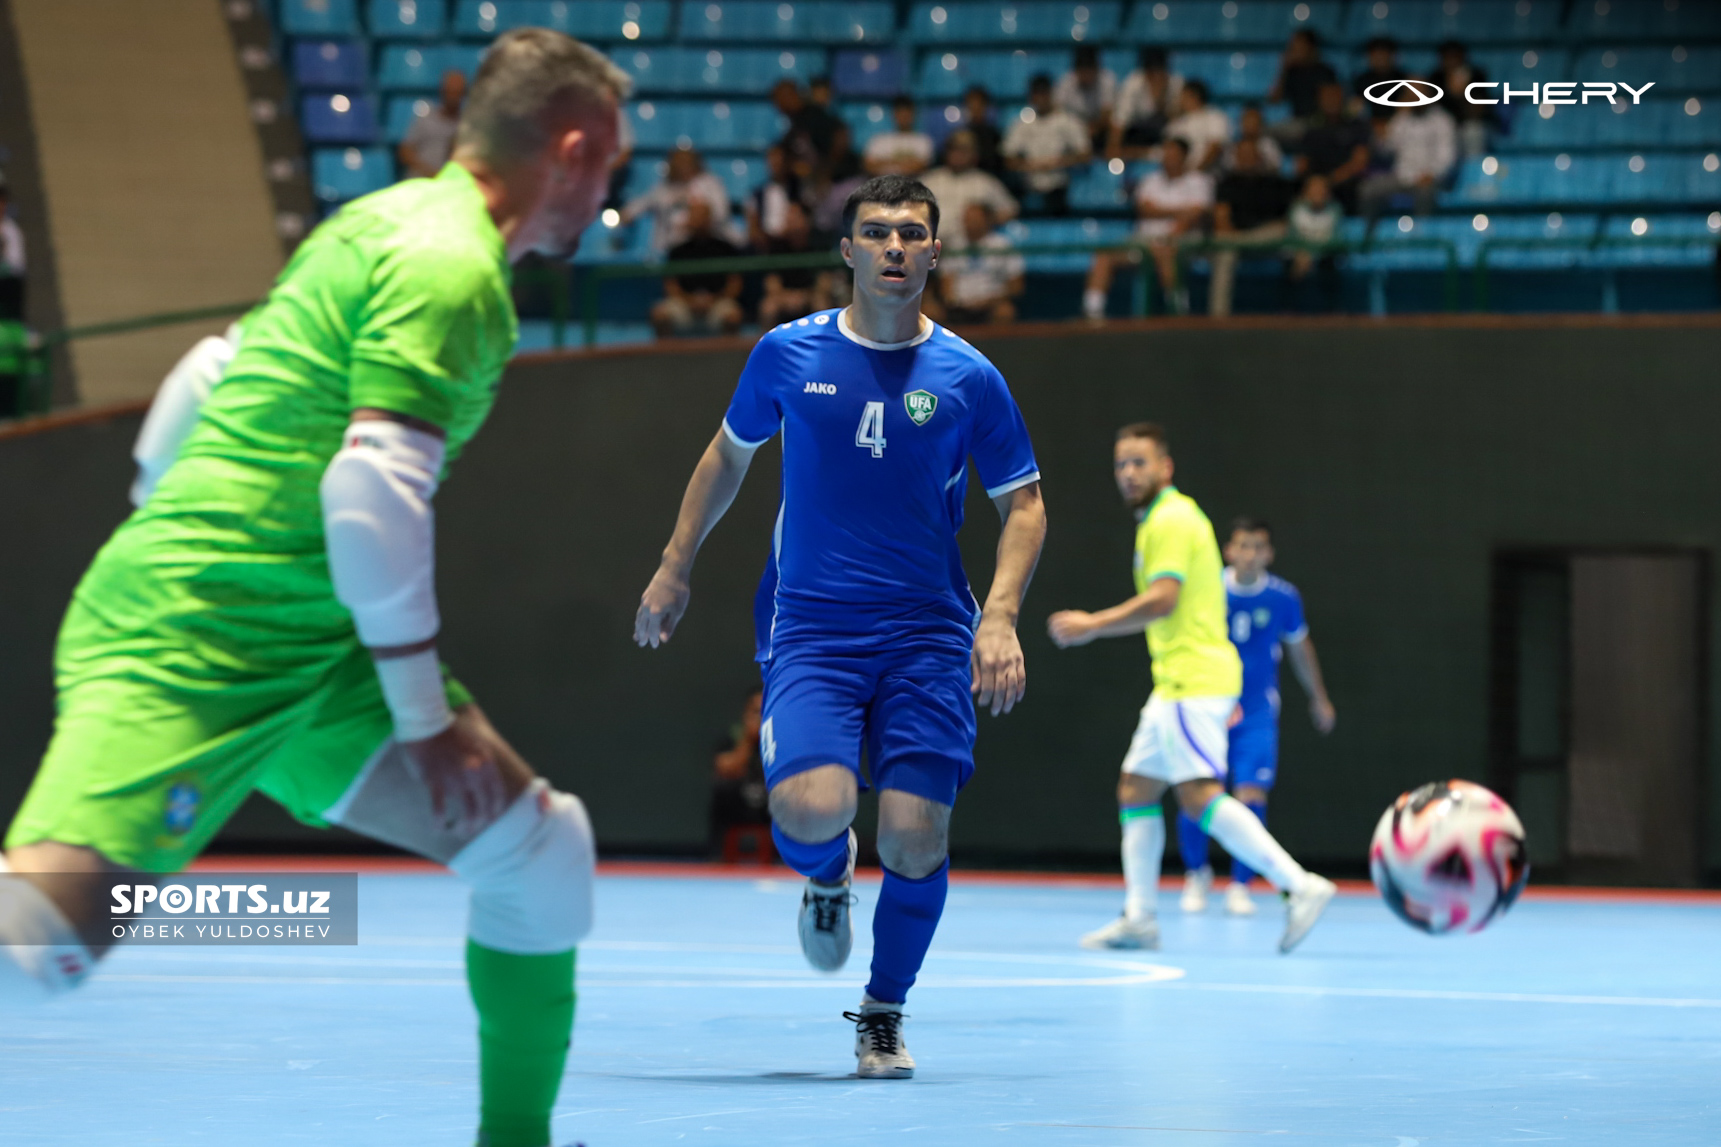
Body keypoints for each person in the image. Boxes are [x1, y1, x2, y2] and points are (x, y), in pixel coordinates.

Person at [0, 28, 624, 1147]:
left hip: (304, 645)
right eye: (612, 167)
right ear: (573, 150)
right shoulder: (453, 272)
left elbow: (209, 372)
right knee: (35, 944)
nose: (606, 193)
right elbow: (370, 496)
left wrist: (161, 514)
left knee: (536, 853)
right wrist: (423, 720)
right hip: (208, 633)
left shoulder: (375, 220)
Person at [634, 174, 1047, 1078]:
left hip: (929, 635)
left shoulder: (969, 376)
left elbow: (1023, 503)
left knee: (914, 836)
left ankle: (882, 1011)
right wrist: (675, 565)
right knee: (809, 810)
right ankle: (827, 877)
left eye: (911, 232)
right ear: (847, 250)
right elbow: (726, 456)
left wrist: (1003, 616)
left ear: (936, 252)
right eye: (876, 231)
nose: (894, 246)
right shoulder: (786, 354)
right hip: (812, 626)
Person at [1046, 423, 1335, 954]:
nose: (1129, 474)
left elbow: (1163, 599)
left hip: (1193, 681)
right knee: (1136, 788)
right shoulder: (1157, 520)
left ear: (1165, 468)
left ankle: (1299, 884)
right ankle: (1140, 918)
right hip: (1176, 684)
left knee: (1199, 796)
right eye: (1121, 465)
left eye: (1140, 463)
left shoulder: (1173, 519)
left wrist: (1091, 625)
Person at [1176, 518, 1336, 916]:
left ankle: (1240, 886)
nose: (1250, 555)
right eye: (1242, 546)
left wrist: (1319, 697)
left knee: (1251, 794)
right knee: (1197, 793)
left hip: (1257, 713)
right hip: (1209, 705)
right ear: (1229, 551)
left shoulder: (1284, 598)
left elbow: (1300, 650)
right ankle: (1197, 874)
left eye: (1258, 547)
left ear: (1269, 554)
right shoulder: (1207, 588)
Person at [1083, 137, 1211, 320]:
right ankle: (1093, 313)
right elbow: (1144, 210)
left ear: (1184, 156)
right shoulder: (1150, 180)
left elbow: (1195, 215)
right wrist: (1182, 211)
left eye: (1173, 154)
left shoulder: (1198, 181)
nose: (1168, 158)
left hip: (1181, 243)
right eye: (1166, 153)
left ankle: (1178, 311)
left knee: (1166, 253)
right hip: (1143, 242)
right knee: (1105, 254)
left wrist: (1163, 213)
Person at [1208, 137, 1293, 318]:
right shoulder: (1226, 183)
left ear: (1259, 157)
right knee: (1224, 251)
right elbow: (1221, 220)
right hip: (1235, 239)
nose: (1246, 158)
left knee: (1288, 238)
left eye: (1250, 154)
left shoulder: (1275, 183)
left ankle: (1290, 316)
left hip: (1266, 240)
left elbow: (1284, 222)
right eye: (1242, 154)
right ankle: (1218, 318)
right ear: (1236, 157)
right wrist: (1237, 237)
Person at [651, 199, 744, 338]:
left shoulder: (726, 249)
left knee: (733, 316)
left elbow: (735, 284)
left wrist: (713, 300)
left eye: (701, 216)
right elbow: (670, 285)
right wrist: (690, 301)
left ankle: (730, 359)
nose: (697, 221)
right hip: (684, 304)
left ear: (709, 219)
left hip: (717, 303)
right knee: (659, 315)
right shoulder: (677, 251)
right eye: (694, 216)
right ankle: (665, 358)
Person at [1002, 74, 1091, 217]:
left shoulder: (1068, 121)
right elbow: (1008, 159)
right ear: (1031, 96)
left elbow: (1085, 154)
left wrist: (1058, 162)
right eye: (1037, 94)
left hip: (1059, 186)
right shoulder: (1021, 124)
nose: (1041, 98)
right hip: (1029, 186)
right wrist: (1030, 165)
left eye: (1044, 93)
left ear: (1051, 94)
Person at [924, 202, 1023, 326]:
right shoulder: (954, 246)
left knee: (1005, 312)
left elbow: (1016, 286)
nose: (969, 223)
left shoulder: (1003, 246)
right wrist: (953, 302)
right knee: (930, 312)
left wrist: (990, 301)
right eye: (966, 219)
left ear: (987, 220)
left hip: (991, 304)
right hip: (958, 305)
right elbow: (946, 282)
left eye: (974, 219)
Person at [621, 144, 731, 253]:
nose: (681, 166)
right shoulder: (663, 188)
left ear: (695, 163)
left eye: (685, 161)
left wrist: (694, 221)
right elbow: (639, 205)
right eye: (677, 161)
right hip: (668, 249)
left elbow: (720, 214)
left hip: (705, 245)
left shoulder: (710, 184)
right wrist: (626, 214)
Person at [1359, 99, 1457, 221]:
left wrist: (1432, 174)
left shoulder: (1442, 119)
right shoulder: (1401, 118)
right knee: (1369, 189)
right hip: (1402, 177)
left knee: (1425, 194)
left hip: (1430, 179)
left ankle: (1421, 235)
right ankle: (1369, 235)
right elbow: (1387, 149)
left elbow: (1447, 157)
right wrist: (1381, 135)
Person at [920, 130, 1017, 250]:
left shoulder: (985, 182)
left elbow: (1011, 209)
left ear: (974, 154)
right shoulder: (930, 180)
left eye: (964, 150)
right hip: (933, 247)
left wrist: (984, 220)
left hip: (970, 249)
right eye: (954, 149)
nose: (958, 155)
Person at [1294, 81, 1371, 214]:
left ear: (1343, 98)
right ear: (1320, 100)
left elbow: (1359, 162)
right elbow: (1302, 163)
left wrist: (1329, 181)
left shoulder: (1356, 125)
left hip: (1347, 184)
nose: (1331, 101)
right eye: (1327, 97)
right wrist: (1314, 183)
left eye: (1335, 96)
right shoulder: (1312, 127)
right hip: (1317, 184)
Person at [711, 687, 771, 853]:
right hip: (737, 807)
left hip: (769, 809)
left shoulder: (779, 740)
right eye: (755, 712)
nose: (760, 718)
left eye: (764, 711)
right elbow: (725, 768)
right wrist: (747, 740)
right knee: (722, 790)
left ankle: (784, 861)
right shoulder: (733, 738)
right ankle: (717, 857)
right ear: (745, 713)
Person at [758, 200, 832, 327]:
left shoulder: (819, 243)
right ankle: (768, 345)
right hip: (783, 297)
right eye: (788, 215)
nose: (789, 219)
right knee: (768, 307)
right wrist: (787, 297)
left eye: (794, 215)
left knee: (822, 304)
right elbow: (771, 283)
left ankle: (822, 345)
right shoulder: (776, 246)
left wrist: (805, 296)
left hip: (810, 296)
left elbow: (824, 283)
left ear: (806, 219)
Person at [1108, 47, 1182, 159]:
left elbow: (1178, 118)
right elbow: (1120, 120)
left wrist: (1161, 98)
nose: (1156, 78)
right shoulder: (1134, 84)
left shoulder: (1175, 83)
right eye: (1152, 73)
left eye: (1160, 73)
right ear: (1146, 73)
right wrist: (1113, 147)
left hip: (1162, 132)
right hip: (1136, 131)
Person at [1267, 29, 1337, 145]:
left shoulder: (1325, 72)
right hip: (1297, 123)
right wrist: (1283, 69)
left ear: (1310, 47)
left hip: (1320, 123)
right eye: (1293, 45)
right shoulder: (1291, 72)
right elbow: (1274, 100)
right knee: (1265, 133)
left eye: (1299, 44)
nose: (1294, 49)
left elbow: (1331, 104)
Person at [1285, 173, 1342, 309]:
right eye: (1314, 189)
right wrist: (1302, 254)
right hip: (1298, 255)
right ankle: (1289, 312)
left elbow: (1335, 239)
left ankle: (1331, 312)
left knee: (1329, 264)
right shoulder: (1296, 209)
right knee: (1289, 265)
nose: (1318, 193)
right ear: (1306, 192)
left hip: (1323, 255)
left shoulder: (1335, 210)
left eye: (1322, 189)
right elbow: (1291, 237)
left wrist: (1312, 255)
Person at [398, 67, 466, 178]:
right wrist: (430, 173)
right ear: (442, 90)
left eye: (457, 92)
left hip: (450, 186)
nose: (453, 96)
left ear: (464, 93)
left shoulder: (467, 126)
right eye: (450, 90)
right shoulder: (424, 119)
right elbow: (404, 152)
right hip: (420, 182)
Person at [1433, 40, 1493, 156]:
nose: (1451, 62)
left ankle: (1473, 170)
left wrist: (1462, 93)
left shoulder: (1476, 76)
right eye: (1447, 57)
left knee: (1474, 130)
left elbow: (1478, 110)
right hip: (1443, 125)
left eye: (1455, 57)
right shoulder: (1436, 78)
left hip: (1468, 125)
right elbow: (1434, 111)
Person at [1055, 45, 1116, 152]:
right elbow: (1058, 113)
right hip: (1073, 130)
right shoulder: (1066, 82)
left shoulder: (1107, 81)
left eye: (1089, 71)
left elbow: (1107, 115)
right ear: (1076, 71)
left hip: (1099, 131)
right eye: (1082, 71)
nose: (1086, 76)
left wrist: (1092, 129)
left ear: (1096, 69)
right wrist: (1077, 131)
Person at [1166, 80, 1232, 172]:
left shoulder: (1215, 117)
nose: (1179, 99)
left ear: (1194, 96)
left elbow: (1215, 148)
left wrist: (1196, 171)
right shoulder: (1176, 124)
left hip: (1208, 173)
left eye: (1182, 95)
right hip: (1180, 176)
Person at [864, 95, 935, 177]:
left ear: (914, 114)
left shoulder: (924, 141)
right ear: (893, 114)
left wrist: (884, 163)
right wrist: (906, 163)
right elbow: (868, 166)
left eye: (907, 112)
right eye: (900, 112)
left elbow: (920, 167)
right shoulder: (879, 140)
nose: (903, 117)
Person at [745, 144, 799, 249]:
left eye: (780, 159)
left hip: (791, 242)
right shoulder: (756, 194)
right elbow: (752, 225)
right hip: (766, 244)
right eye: (772, 160)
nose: (776, 164)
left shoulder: (798, 191)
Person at [1349, 36, 1404, 118]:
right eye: (1376, 55)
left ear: (1392, 56)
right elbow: (1355, 108)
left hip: (1398, 123)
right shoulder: (1362, 81)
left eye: (1383, 54)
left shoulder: (1403, 78)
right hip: (1368, 124)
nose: (1380, 59)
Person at [1222, 104, 1283, 173]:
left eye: (1254, 120)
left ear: (1260, 123)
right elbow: (1227, 166)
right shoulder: (1232, 145)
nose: (1250, 124)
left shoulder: (1269, 145)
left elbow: (1275, 166)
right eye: (1247, 120)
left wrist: (1258, 158)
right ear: (1241, 123)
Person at [962, 84, 1007, 177]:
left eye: (978, 104)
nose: (975, 108)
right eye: (971, 104)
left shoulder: (994, 135)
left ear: (985, 106)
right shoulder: (960, 135)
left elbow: (996, 162)